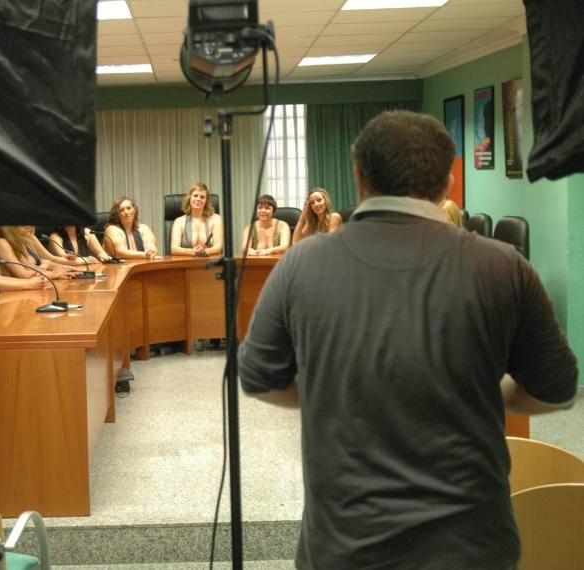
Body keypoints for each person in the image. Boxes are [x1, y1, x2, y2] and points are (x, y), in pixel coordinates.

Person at [238, 110, 578, 570]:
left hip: (344, 544)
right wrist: (484, 389)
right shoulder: (504, 266)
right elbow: (555, 389)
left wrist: (336, 388)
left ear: (358, 179)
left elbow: (259, 377)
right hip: (472, 546)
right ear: (449, 184)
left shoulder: (302, 263)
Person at [0, 225, 80, 280]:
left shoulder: (22, 239)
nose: (29, 225)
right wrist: (54, 274)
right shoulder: (1, 243)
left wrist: (66, 269)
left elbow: (34, 267)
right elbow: (23, 274)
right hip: (1, 299)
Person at [169, 183, 223, 257]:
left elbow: (218, 247)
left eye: (202, 197)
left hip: (210, 264)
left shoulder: (216, 219)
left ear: (206, 201)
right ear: (189, 198)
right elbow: (174, 249)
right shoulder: (179, 221)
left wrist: (205, 251)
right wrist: (192, 252)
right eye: (195, 196)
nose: (198, 199)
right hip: (185, 264)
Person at [48, 225, 112, 264]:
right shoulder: (55, 236)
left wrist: (103, 256)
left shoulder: (87, 232)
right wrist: (85, 260)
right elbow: (63, 258)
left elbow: (100, 252)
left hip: (87, 273)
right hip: (67, 277)